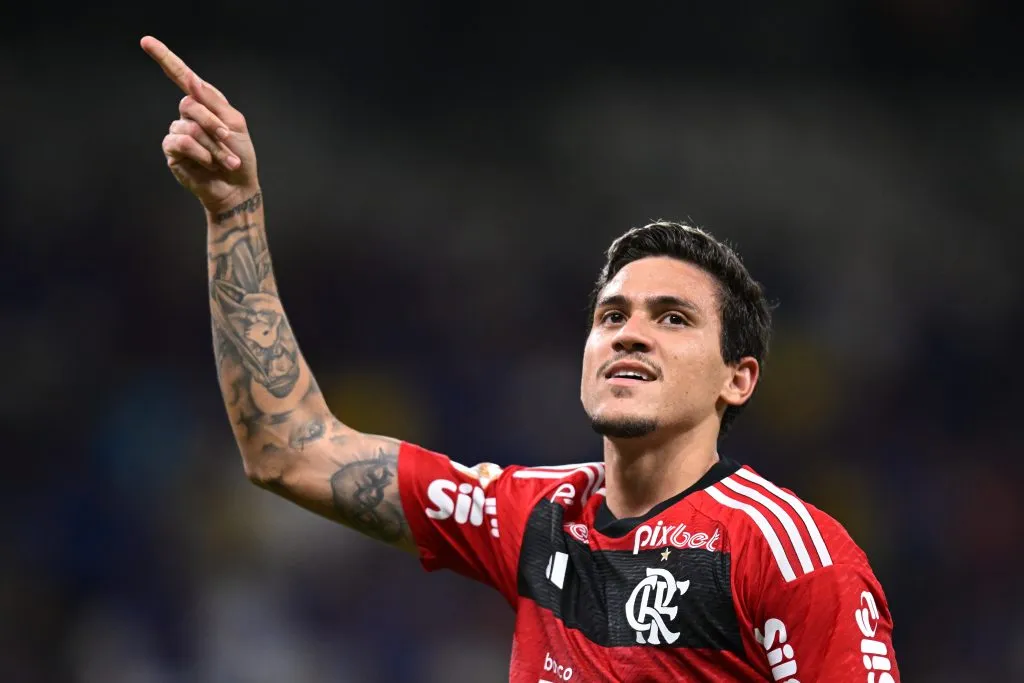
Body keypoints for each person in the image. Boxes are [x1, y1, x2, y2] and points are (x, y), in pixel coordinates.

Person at [142, 35, 900, 682]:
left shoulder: (792, 554)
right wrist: (233, 212)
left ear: (739, 379)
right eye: (612, 315)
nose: (630, 333)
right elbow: (290, 449)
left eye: (673, 318)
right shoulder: (536, 514)